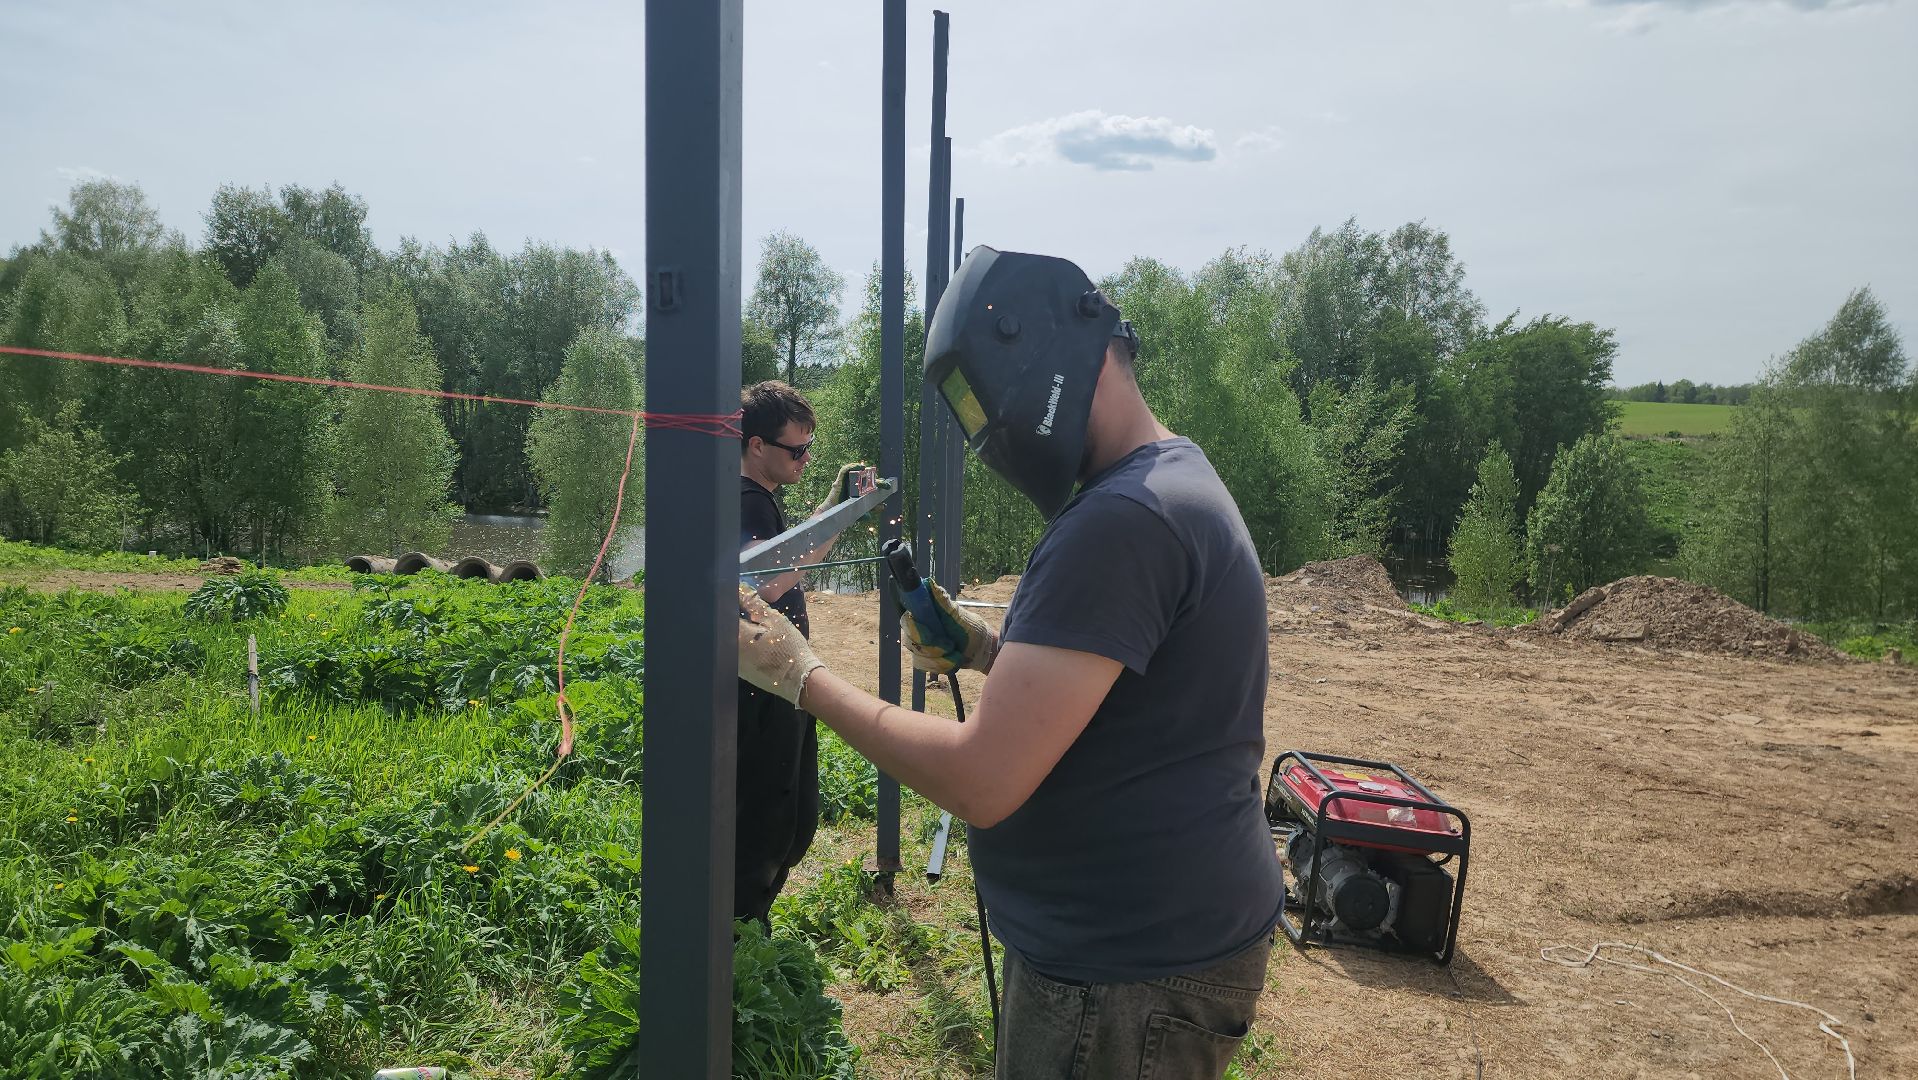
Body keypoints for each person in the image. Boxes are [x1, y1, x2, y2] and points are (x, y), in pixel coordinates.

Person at [738, 249, 1282, 1079]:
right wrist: (992, 653)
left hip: (1123, 969)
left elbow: (983, 782)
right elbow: (1134, 698)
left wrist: (802, 675)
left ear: (1055, 356)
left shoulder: (1121, 520)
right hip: (1150, 937)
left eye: (987, 401)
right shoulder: (1168, 479)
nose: (991, 432)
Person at [735, 379, 865, 925]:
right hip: (763, 687)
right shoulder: (747, 501)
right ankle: (741, 929)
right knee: (774, 814)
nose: (805, 459)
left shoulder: (757, 498)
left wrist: (831, 512)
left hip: (773, 681)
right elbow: (759, 583)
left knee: (790, 811)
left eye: (809, 449)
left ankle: (747, 921)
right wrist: (839, 523)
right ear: (757, 445)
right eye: (796, 450)